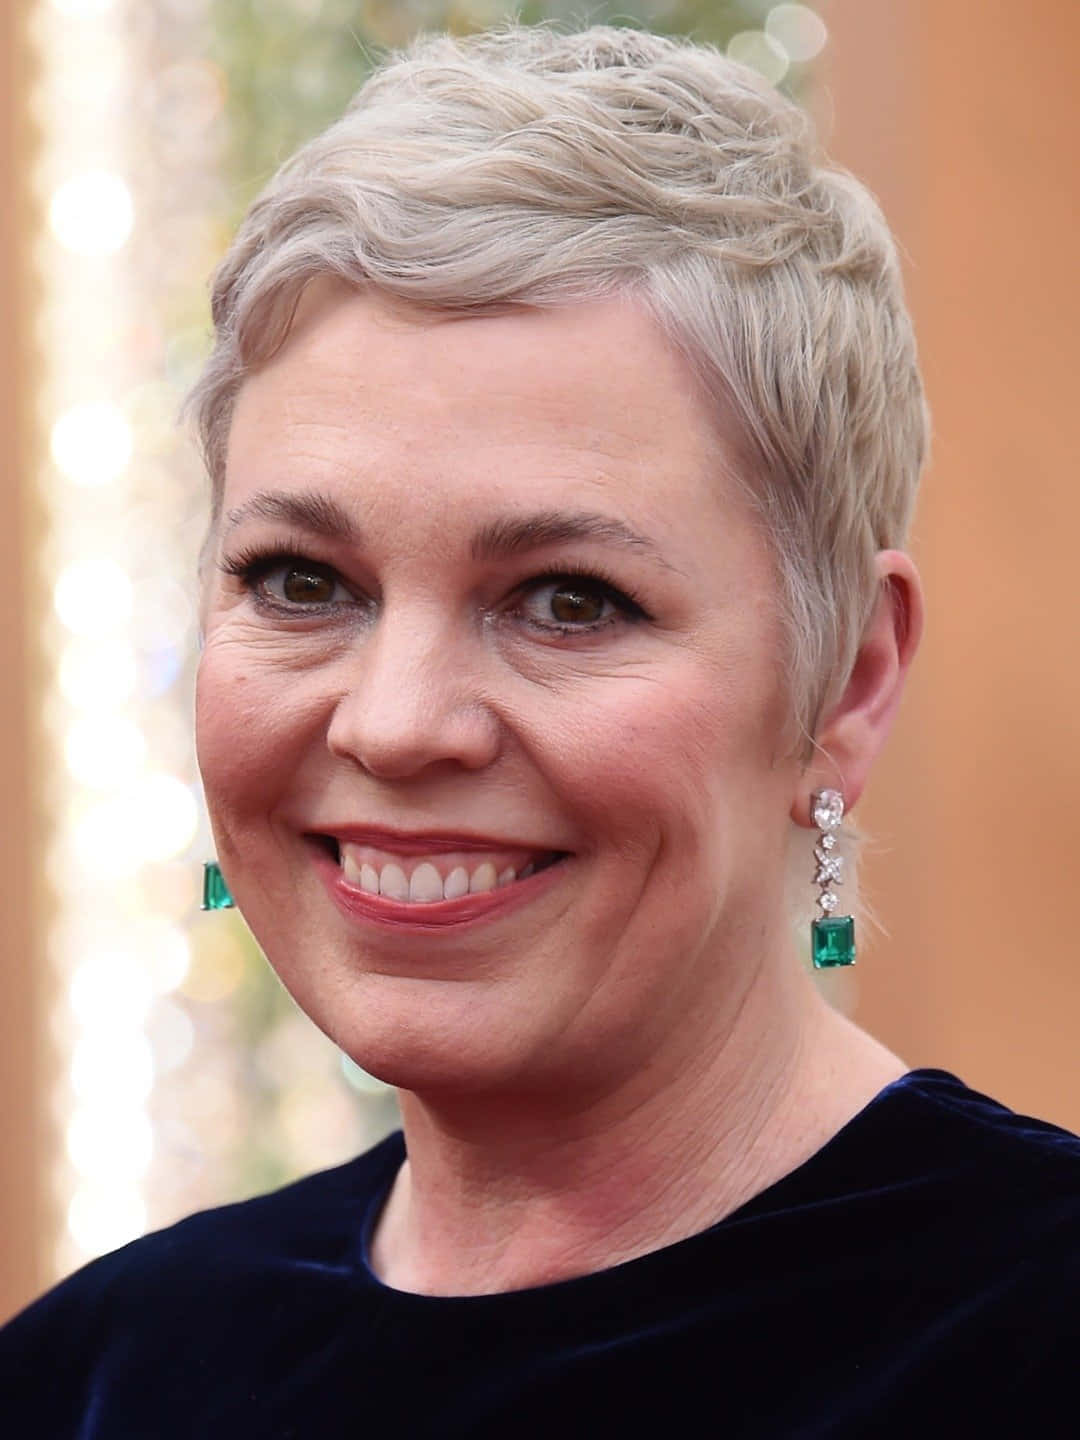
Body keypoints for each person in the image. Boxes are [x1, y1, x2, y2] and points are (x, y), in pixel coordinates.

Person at [3, 23, 1078, 1437]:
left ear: (850, 681)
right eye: (302, 581)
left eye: (570, 600)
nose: (395, 726)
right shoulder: (93, 1374)